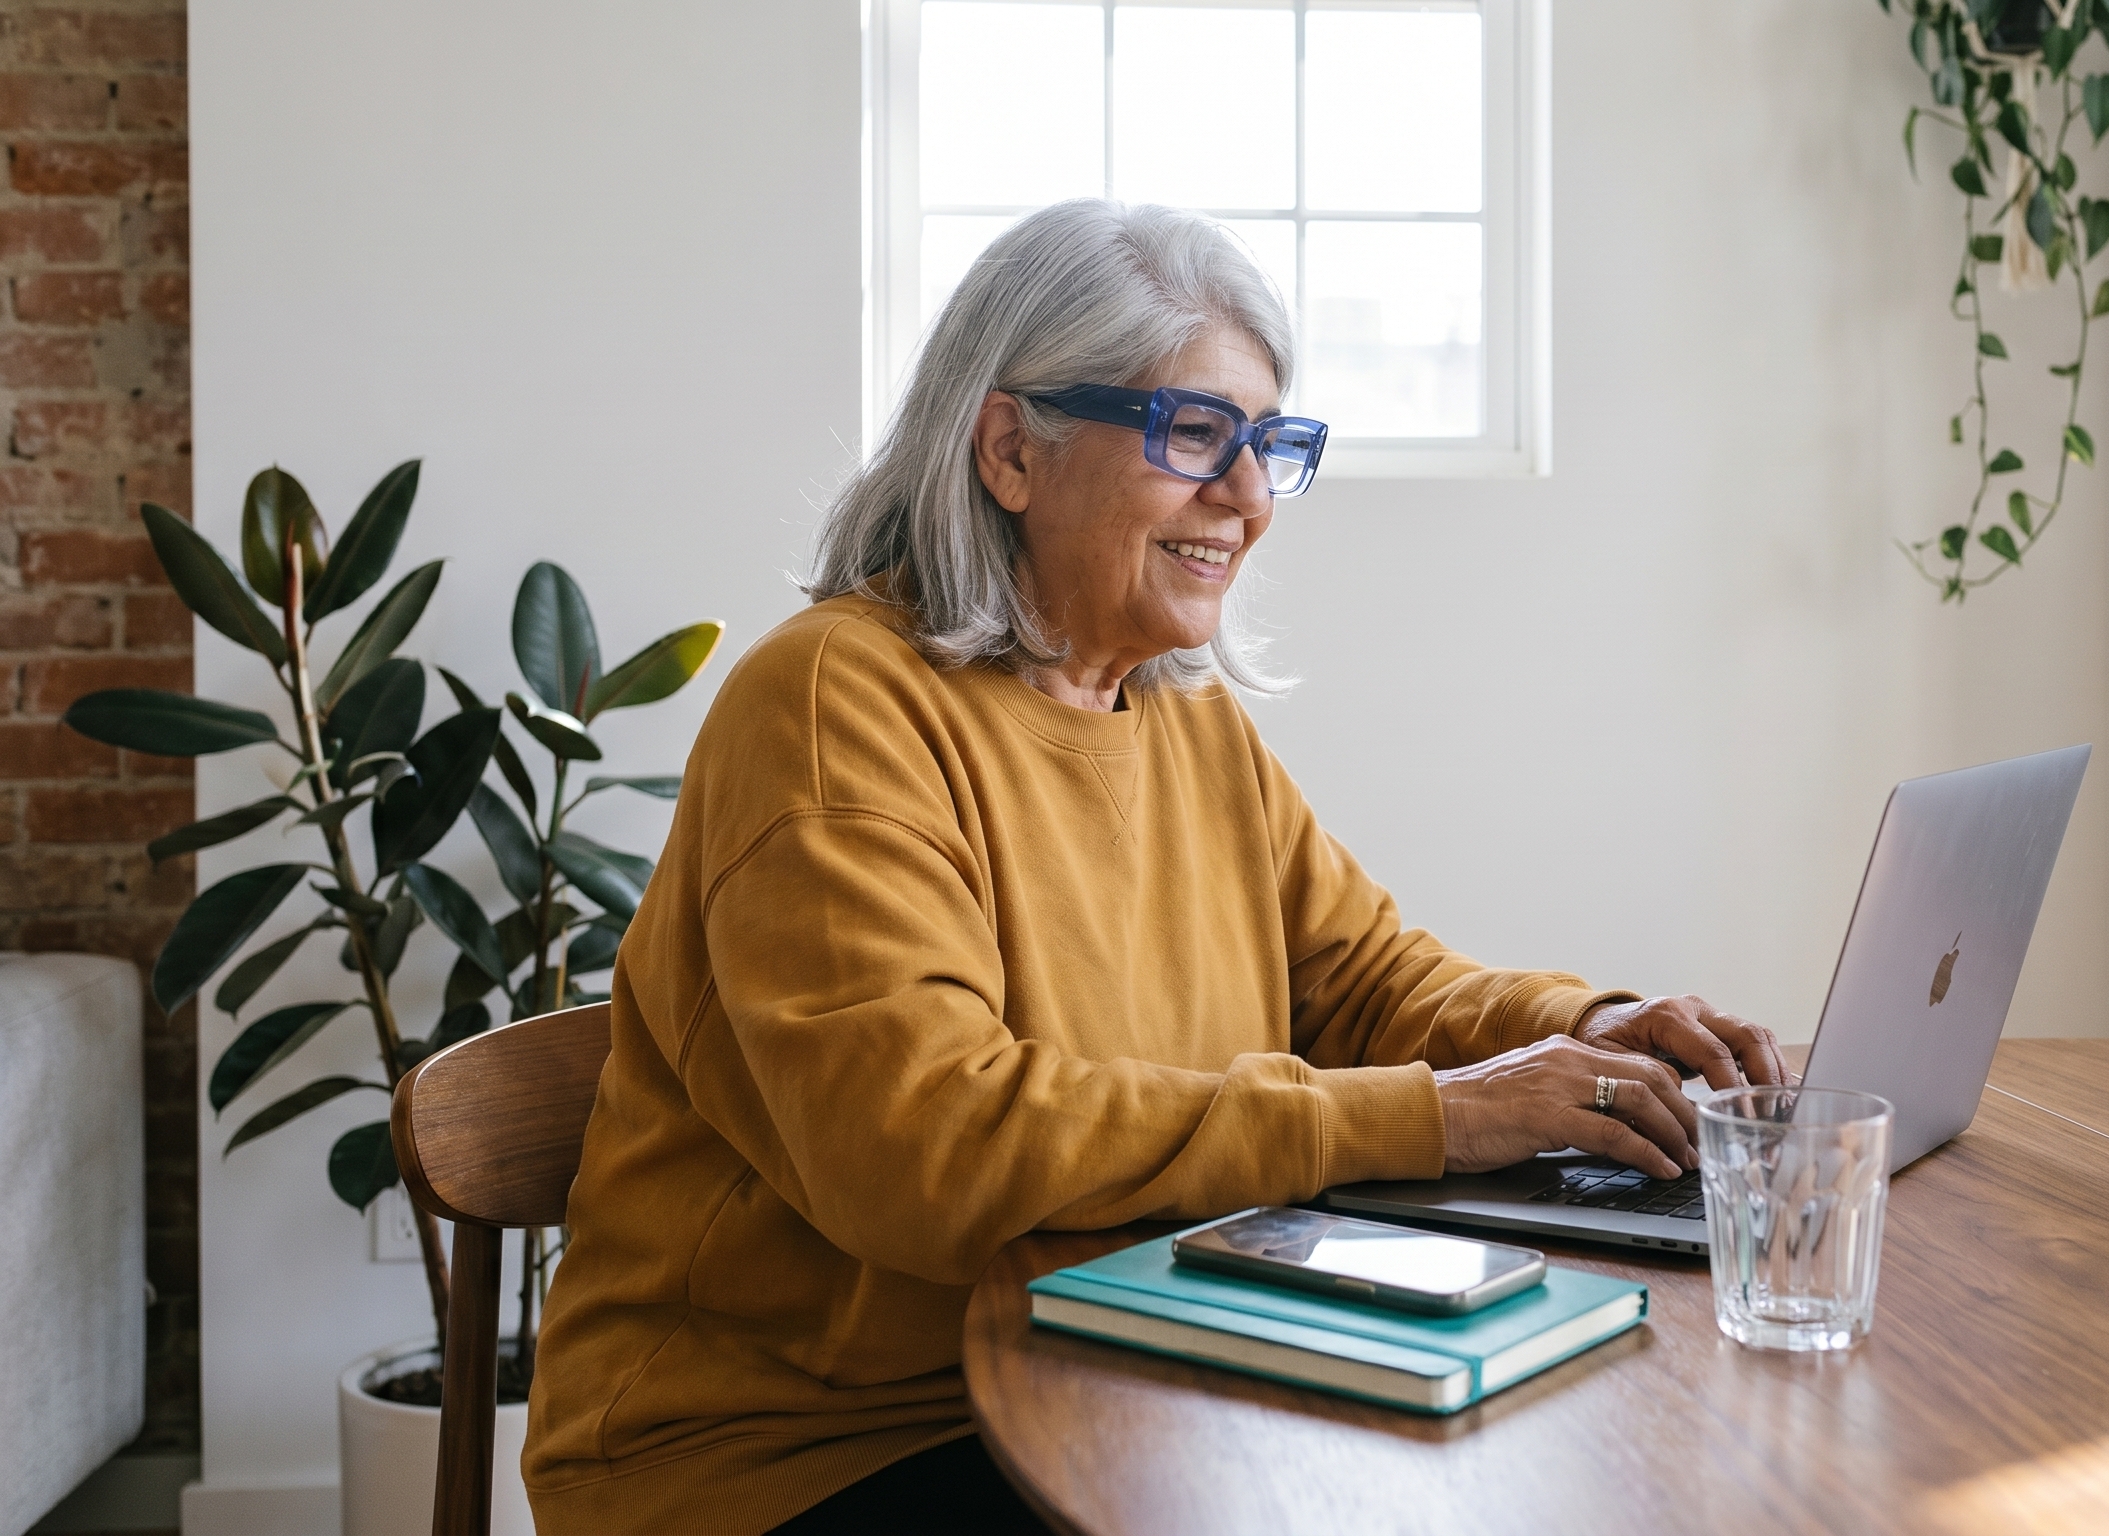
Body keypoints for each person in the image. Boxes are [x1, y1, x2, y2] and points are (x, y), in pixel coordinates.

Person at [524, 199, 1785, 1536]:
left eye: (1271, 445)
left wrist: (1582, 1034)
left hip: (1124, 1362)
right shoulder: (836, 702)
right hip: (809, 1452)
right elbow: (930, 1147)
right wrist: (1438, 1115)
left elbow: (1363, 981)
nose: (1247, 498)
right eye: (1194, 434)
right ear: (1011, 451)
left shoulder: (1184, 715)